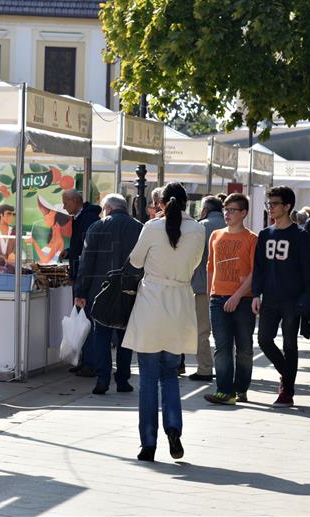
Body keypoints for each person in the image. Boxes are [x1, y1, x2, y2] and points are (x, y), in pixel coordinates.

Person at [123, 182, 205, 462]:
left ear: (162, 203)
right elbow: (194, 264)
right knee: (170, 373)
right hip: (179, 302)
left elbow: (134, 261)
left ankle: (148, 442)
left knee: (147, 377)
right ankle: (173, 426)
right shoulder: (198, 229)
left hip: (151, 303)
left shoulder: (152, 227)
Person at [252, 186, 310, 408]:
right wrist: (255, 294)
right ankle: (287, 377)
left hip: (292, 300)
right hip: (269, 298)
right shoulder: (265, 234)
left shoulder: (300, 235)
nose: (270, 208)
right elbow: (258, 267)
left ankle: (287, 391)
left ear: (287, 206)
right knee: (264, 340)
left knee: (290, 344)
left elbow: (308, 269)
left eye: (274, 204)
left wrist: (308, 299)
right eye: (269, 204)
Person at [73, 193, 142, 389]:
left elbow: (87, 262)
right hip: (129, 290)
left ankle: (102, 379)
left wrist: (81, 291)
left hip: (100, 291)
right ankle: (122, 379)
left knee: (101, 335)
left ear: (108, 209)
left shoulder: (97, 227)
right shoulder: (139, 228)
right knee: (125, 336)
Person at [203, 193, 258, 405]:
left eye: (232, 210)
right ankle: (224, 391)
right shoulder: (215, 235)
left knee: (244, 348)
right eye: (225, 209)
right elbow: (210, 267)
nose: (227, 213)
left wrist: (237, 295)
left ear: (243, 213)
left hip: (243, 300)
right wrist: (211, 294)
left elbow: (255, 273)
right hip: (218, 299)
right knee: (222, 346)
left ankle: (241, 388)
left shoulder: (252, 239)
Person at [188, 196, 226, 382]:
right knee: (225, 331)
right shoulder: (230, 225)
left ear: (205, 210)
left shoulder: (200, 226)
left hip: (203, 286)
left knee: (202, 331)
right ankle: (227, 368)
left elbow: (192, 257)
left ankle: (204, 368)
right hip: (228, 287)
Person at [61, 190, 101, 281]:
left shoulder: (88, 218)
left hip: (84, 274)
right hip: (80, 272)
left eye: (65, 203)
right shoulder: (79, 217)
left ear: (74, 201)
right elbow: (80, 242)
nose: (64, 207)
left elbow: (89, 246)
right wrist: (70, 251)